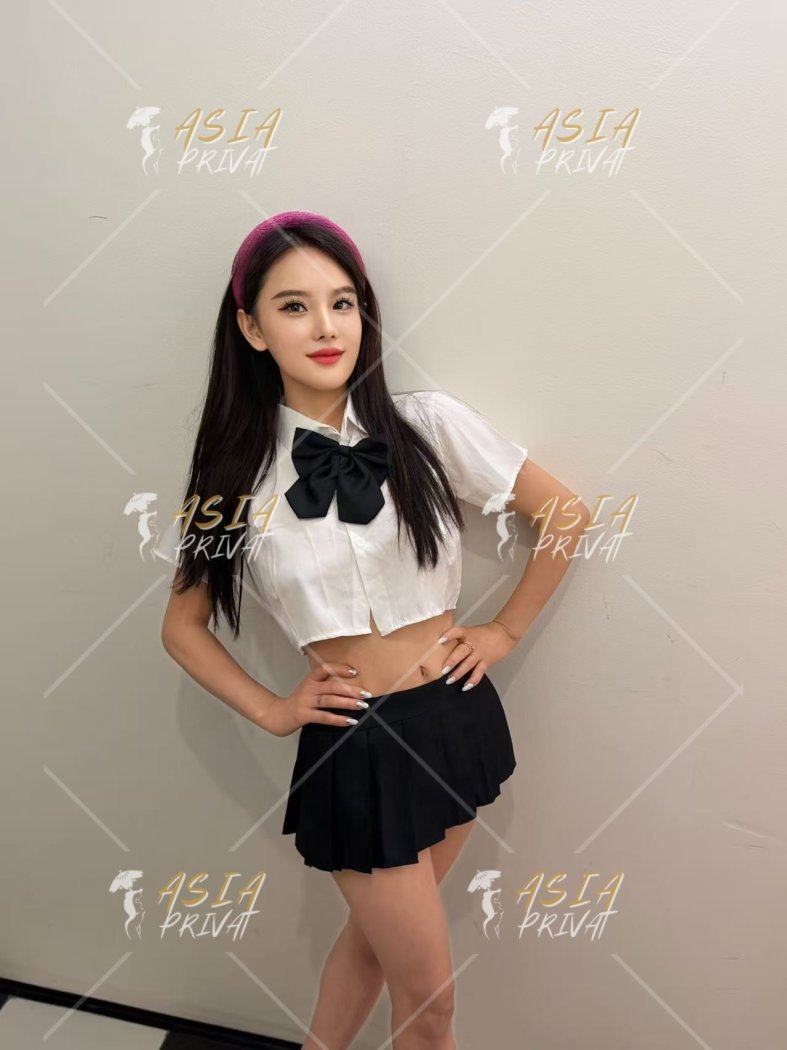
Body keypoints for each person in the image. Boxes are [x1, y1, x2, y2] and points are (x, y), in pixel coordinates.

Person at [157, 210, 590, 1050]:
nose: (326, 327)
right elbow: (182, 626)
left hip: (455, 716)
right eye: (293, 306)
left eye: (342, 302)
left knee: (372, 950)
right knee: (430, 1005)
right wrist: (273, 709)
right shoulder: (234, 480)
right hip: (355, 746)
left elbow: (564, 515)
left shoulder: (426, 425)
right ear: (250, 327)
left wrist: (502, 631)